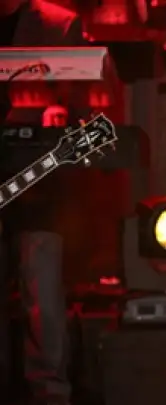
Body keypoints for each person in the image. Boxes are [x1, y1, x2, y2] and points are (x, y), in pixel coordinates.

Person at [0, 1, 86, 404]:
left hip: (35, 180)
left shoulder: (58, 25)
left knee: (41, 287)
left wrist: (60, 111)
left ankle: (49, 393)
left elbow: (81, 107)